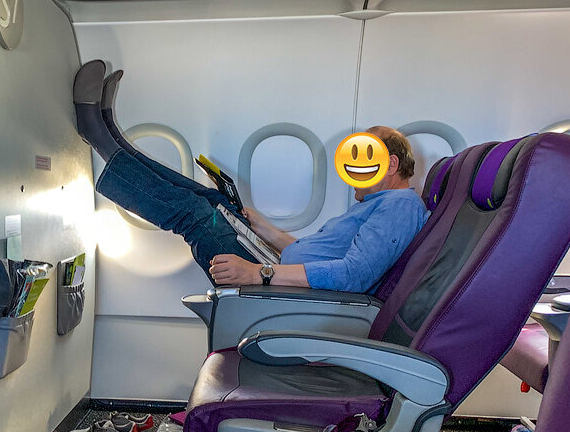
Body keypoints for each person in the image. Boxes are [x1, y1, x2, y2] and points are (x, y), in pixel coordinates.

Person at [74, 60, 428, 293]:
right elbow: (317, 256)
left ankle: (100, 136)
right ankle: (111, 136)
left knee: (194, 214)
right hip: (275, 268)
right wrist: (264, 229)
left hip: (280, 287)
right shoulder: (380, 204)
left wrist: (258, 273)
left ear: (391, 165)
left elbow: (354, 276)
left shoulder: (399, 206)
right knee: (214, 200)